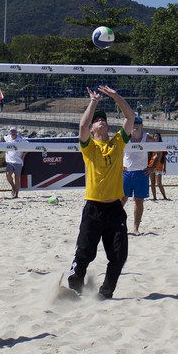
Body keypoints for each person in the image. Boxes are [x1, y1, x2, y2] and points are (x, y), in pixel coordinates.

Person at [66, 85, 136, 299]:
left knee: (119, 255)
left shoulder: (117, 143)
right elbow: (82, 126)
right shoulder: (89, 147)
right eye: (97, 120)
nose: (100, 121)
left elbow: (130, 117)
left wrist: (115, 96)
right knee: (85, 253)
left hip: (115, 208)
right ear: (94, 129)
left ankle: (105, 293)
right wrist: (94, 102)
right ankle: (74, 286)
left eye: (103, 119)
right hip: (93, 207)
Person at [121, 116, 151, 235]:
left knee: (139, 201)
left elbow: (161, 150)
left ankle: (135, 228)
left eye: (138, 123)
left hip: (141, 172)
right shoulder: (125, 137)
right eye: (134, 123)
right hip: (127, 172)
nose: (136, 125)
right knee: (122, 200)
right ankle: (118, 225)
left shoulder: (147, 137)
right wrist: (119, 165)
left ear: (142, 125)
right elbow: (115, 151)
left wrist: (153, 167)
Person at [3, 126, 28, 199]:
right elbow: (0, 139)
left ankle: (16, 194)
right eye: (12, 131)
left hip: (18, 161)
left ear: (16, 132)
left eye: (14, 131)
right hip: (9, 161)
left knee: (17, 178)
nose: (13, 132)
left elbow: (29, 146)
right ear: (10, 132)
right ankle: (13, 187)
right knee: (8, 175)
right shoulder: (7, 138)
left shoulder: (21, 139)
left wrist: (23, 155)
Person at [148, 132, 168, 201]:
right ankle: (154, 197)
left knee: (159, 183)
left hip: (159, 166)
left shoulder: (161, 145)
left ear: (159, 138)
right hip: (151, 165)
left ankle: (165, 197)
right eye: (155, 136)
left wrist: (165, 168)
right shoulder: (150, 145)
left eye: (157, 136)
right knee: (152, 183)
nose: (156, 137)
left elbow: (164, 158)